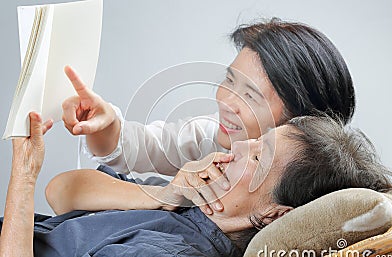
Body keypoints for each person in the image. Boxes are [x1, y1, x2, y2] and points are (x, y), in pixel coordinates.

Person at [2, 112, 392, 257]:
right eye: (257, 141)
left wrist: (22, 177)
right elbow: (62, 192)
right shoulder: (193, 203)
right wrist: (162, 195)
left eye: (257, 158)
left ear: (276, 214)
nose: (238, 146)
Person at [56, 18, 356, 214]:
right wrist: (104, 123)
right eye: (229, 81)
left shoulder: (295, 204)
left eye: (251, 96)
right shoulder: (212, 136)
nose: (226, 101)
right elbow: (139, 146)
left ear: (300, 125)